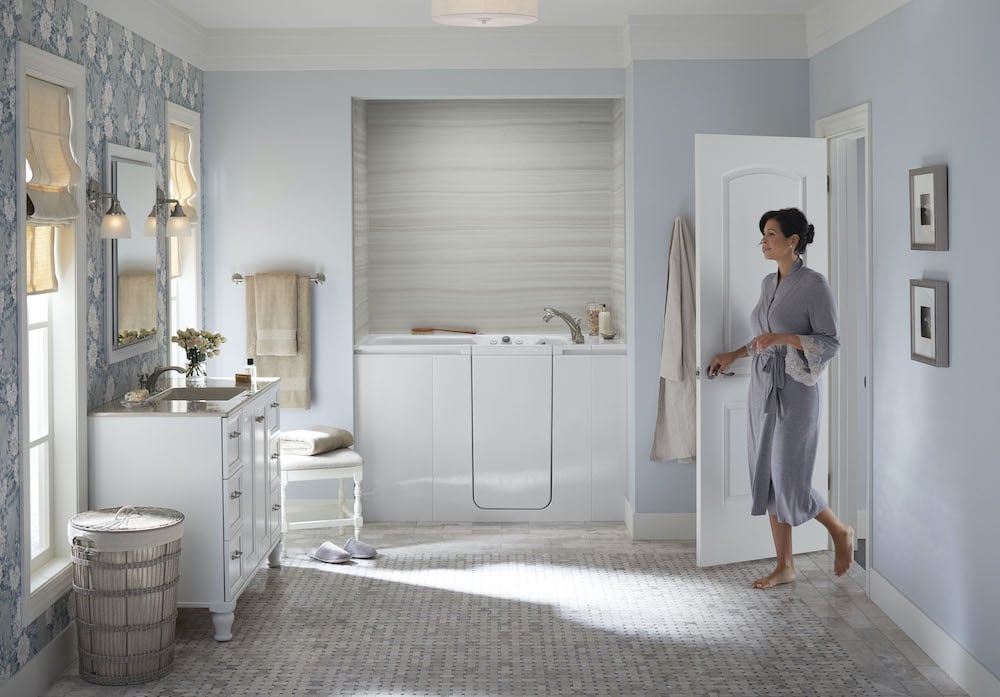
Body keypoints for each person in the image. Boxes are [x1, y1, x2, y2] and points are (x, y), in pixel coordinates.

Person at [708, 207, 854, 589]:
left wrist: (785, 339)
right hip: (762, 387)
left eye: (770, 234)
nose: (763, 241)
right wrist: (732, 356)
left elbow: (831, 342)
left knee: (790, 477)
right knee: (769, 476)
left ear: (793, 241)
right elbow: (762, 340)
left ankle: (839, 530)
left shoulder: (815, 286)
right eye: (763, 234)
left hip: (797, 391)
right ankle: (785, 565)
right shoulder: (767, 284)